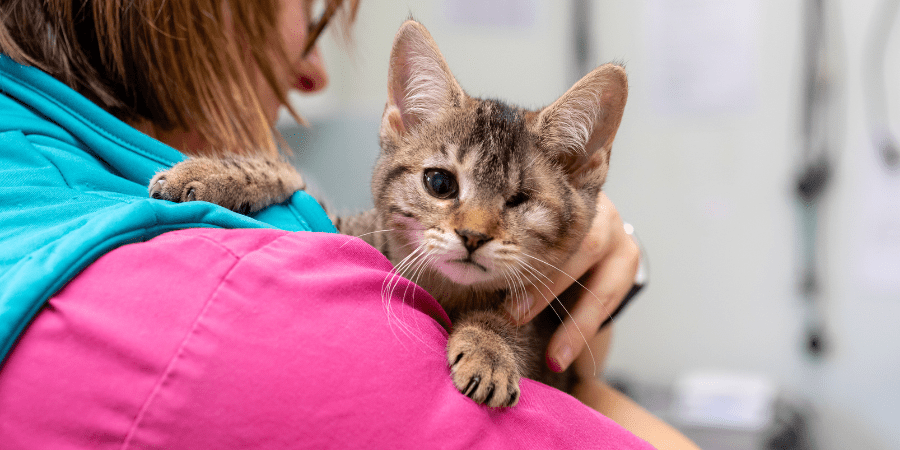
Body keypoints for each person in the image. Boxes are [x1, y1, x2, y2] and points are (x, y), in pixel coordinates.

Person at [0, 0, 697, 448]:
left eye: (515, 202)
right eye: (441, 184)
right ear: (400, 127)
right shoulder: (286, 293)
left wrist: (548, 327)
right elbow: (323, 224)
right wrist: (259, 177)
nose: (475, 228)